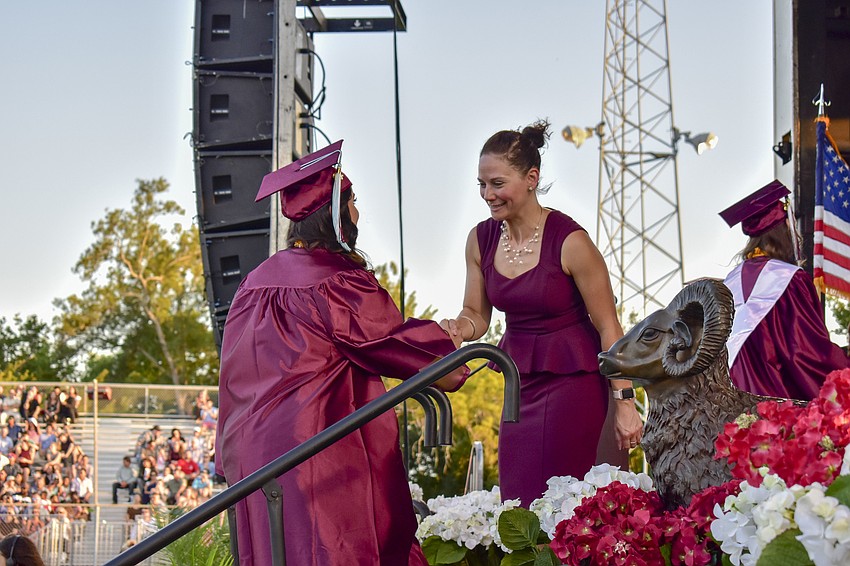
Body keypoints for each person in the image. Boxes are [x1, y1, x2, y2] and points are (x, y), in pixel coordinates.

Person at [216, 140, 467, 566]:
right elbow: (389, 340)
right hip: (313, 446)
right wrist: (449, 343)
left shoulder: (253, 285)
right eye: (352, 202)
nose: (357, 213)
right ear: (334, 213)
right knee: (333, 550)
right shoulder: (333, 280)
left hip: (254, 456)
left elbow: (232, 378)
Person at [441, 120, 643, 507]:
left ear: (531, 178)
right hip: (520, 388)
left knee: (571, 504)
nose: (487, 194)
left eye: (497, 184)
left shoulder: (571, 241)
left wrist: (625, 402)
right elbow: (476, 315)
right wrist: (459, 327)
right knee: (520, 498)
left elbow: (608, 327)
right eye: (481, 185)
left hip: (576, 384)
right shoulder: (479, 239)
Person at [719, 180, 850, 400]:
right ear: (783, 231)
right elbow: (804, 352)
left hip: (729, 402)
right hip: (774, 402)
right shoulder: (788, 279)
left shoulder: (728, 282)